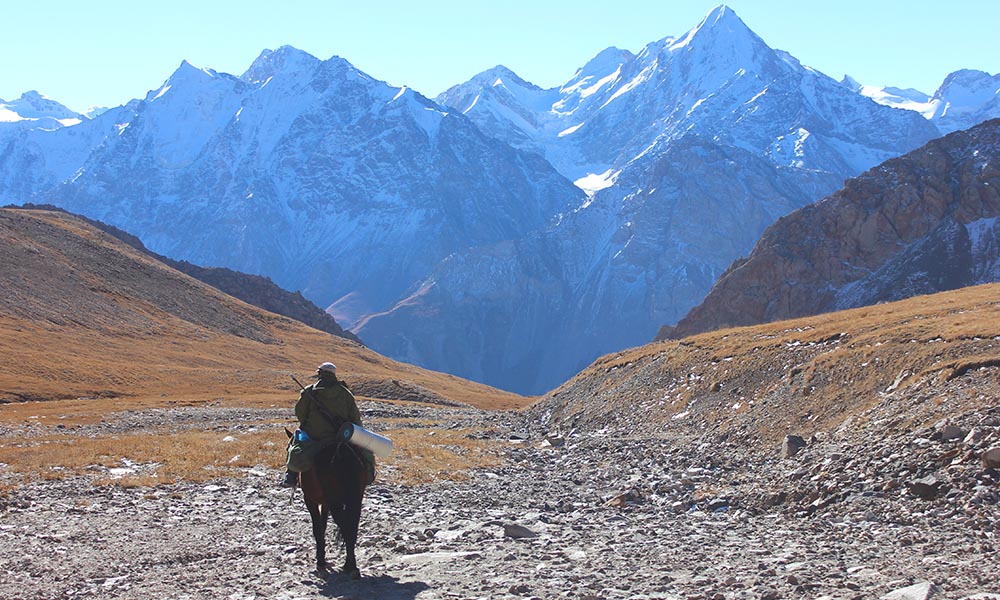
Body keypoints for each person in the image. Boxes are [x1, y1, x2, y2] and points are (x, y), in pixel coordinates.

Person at [281, 362, 375, 487]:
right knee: (365, 452)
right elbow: (355, 418)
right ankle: (368, 477)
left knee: (294, 443)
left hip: (314, 435)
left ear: (320, 374)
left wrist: (310, 423)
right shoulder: (346, 393)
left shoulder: (310, 391)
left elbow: (300, 413)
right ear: (333, 375)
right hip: (340, 436)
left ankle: (291, 476)